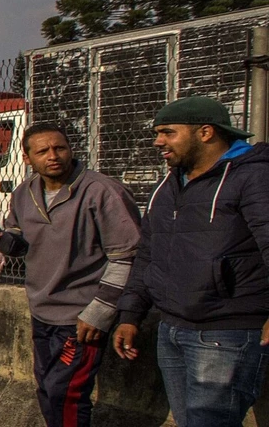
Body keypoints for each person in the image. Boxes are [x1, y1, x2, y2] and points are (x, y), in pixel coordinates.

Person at [112, 96, 269, 425]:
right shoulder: (169, 185)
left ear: (206, 132)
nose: (158, 142)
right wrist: (130, 314)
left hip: (226, 333)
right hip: (171, 330)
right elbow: (149, 255)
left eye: (168, 132)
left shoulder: (252, 178)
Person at [0, 124, 140, 427]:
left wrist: (99, 311)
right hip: (42, 313)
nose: (53, 156)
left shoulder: (102, 191)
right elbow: (19, 243)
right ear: (27, 158)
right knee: (47, 390)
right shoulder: (25, 193)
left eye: (59, 148)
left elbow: (127, 256)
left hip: (81, 317)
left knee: (66, 394)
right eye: (43, 151)